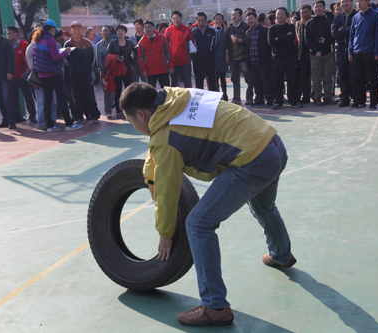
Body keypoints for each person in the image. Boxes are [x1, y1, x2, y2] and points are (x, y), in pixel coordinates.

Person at [119, 82, 295, 327]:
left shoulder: (165, 139)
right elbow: (157, 142)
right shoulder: (175, 96)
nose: (134, 127)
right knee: (263, 207)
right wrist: (150, 173)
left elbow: (168, 191)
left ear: (141, 114)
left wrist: (165, 233)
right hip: (271, 142)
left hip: (252, 160)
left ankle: (215, 306)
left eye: (131, 122)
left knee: (198, 224)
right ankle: (282, 254)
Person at [33, 19, 82, 132]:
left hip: (42, 74)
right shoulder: (50, 39)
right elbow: (55, 57)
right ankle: (69, 124)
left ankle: (50, 125)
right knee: (62, 98)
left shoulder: (38, 39)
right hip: (53, 73)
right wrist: (66, 52)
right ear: (52, 28)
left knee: (47, 100)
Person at [348, 0, 378, 109]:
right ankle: (361, 101)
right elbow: (352, 35)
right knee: (359, 78)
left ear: (367, 1)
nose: (359, 3)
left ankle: (373, 102)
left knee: (372, 78)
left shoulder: (375, 16)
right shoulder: (355, 17)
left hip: (370, 51)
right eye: (357, 1)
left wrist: (377, 51)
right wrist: (350, 51)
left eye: (361, 1)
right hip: (357, 51)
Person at [64, 21, 101, 124]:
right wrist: (72, 69)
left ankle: (94, 115)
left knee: (90, 95)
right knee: (77, 96)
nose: (76, 31)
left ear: (81, 30)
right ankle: (78, 116)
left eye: (78, 28)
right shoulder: (67, 44)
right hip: (74, 75)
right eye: (74, 29)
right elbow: (65, 59)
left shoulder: (88, 43)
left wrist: (89, 69)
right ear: (71, 30)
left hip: (86, 74)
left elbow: (93, 58)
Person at [269, 8, 302, 109]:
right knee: (277, 81)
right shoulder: (272, 28)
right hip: (277, 58)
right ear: (275, 15)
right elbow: (271, 42)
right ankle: (278, 101)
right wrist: (284, 37)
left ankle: (293, 100)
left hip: (290, 58)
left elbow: (291, 38)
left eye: (282, 14)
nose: (280, 16)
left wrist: (278, 38)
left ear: (286, 16)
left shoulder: (291, 26)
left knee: (292, 80)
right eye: (278, 14)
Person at [305, 0, 336, 106]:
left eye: (320, 6)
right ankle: (317, 97)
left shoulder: (329, 22)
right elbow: (307, 39)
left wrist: (326, 40)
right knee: (316, 77)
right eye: (316, 7)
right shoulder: (309, 23)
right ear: (313, 9)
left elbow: (333, 36)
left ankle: (328, 97)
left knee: (328, 77)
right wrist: (315, 51)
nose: (317, 9)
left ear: (324, 8)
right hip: (315, 55)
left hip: (327, 52)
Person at [6, 26, 37, 123]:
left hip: (24, 76)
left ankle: (33, 115)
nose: (8, 35)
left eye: (10, 33)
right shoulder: (7, 46)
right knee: (14, 97)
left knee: (28, 96)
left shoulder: (25, 44)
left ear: (16, 34)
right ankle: (18, 116)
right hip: (12, 76)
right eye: (7, 34)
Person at [244, 11, 274, 107]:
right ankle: (259, 99)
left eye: (251, 18)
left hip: (263, 61)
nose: (250, 21)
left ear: (256, 19)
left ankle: (269, 99)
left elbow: (269, 46)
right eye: (248, 19)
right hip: (252, 62)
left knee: (266, 81)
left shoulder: (265, 30)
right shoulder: (247, 32)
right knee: (256, 82)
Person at [332, 0, 357, 107]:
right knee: (342, 75)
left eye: (347, 1)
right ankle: (345, 99)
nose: (344, 4)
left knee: (355, 75)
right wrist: (347, 31)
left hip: (354, 50)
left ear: (352, 2)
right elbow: (334, 33)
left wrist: (343, 30)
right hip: (341, 50)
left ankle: (356, 98)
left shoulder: (357, 16)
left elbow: (355, 31)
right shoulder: (337, 18)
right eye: (342, 2)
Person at [108, 24, 136, 119]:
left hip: (127, 68)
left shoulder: (129, 42)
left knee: (129, 90)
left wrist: (132, 61)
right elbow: (109, 56)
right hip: (117, 69)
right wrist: (117, 58)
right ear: (116, 32)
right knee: (118, 91)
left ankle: (129, 109)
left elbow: (135, 52)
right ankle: (118, 110)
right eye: (118, 31)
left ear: (125, 32)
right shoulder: (112, 43)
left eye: (122, 31)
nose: (120, 32)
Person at [138, 20, 174, 89]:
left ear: (153, 27)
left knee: (166, 91)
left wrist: (171, 66)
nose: (147, 29)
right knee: (151, 93)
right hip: (150, 71)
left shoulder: (162, 39)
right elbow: (140, 57)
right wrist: (143, 70)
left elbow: (169, 53)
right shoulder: (142, 42)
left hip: (163, 70)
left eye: (149, 27)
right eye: (145, 28)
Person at [225, 8, 251, 105]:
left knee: (248, 79)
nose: (233, 17)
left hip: (244, 57)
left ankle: (249, 98)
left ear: (241, 16)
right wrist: (227, 56)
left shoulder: (246, 27)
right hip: (233, 58)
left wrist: (239, 40)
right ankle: (236, 98)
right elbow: (227, 44)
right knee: (234, 79)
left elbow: (249, 40)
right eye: (232, 15)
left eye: (235, 15)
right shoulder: (230, 29)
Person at [165, 11, 195, 88]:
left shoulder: (187, 30)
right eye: (174, 18)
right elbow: (165, 46)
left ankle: (189, 99)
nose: (176, 20)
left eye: (177, 18)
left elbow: (192, 45)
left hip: (185, 62)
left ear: (181, 18)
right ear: (171, 20)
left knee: (187, 83)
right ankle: (174, 100)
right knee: (173, 84)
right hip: (173, 62)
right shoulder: (168, 30)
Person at [192, 12, 218, 91]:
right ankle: (199, 102)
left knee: (212, 81)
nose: (201, 22)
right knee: (199, 83)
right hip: (198, 61)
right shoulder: (193, 32)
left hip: (210, 60)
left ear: (206, 20)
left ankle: (213, 101)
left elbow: (215, 44)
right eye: (199, 21)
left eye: (202, 20)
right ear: (196, 21)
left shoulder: (212, 31)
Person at [96, 25, 114, 119]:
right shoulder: (99, 45)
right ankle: (108, 110)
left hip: (115, 71)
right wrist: (102, 71)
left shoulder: (114, 43)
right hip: (104, 73)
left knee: (115, 91)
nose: (105, 32)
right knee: (106, 92)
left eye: (107, 31)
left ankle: (119, 109)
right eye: (104, 31)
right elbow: (98, 59)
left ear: (110, 32)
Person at [297, 4, 313, 104]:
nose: (304, 14)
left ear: (311, 12)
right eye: (302, 13)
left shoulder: (314, 22)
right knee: (304, 77)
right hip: (302, 53)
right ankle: (306, 97)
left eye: (306, 12)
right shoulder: (298, 23)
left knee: (316, 76)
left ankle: (316, 96)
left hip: (313, 53)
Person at [213, 13, 229, 101]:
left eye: (220, 19)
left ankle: (225, 94)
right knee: (215, 78)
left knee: (223, 77)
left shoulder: (226, 32)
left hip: (222, 56)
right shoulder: (211, 31)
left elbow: (227, 45)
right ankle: (217, 95)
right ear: (214, 20)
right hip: (214, 58)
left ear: (222, 20)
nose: (218, 21)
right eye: (216, 19)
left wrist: (227, 56)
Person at [131, 18, 146, 83]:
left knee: (145, 82)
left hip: (144, 63)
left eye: (138, 25)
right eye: (135, 25)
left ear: (142, 26)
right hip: (135, 63)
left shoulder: (146, 37)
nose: (137, 27)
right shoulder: (131, 38)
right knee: (134, 83)